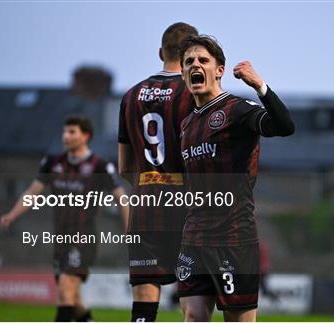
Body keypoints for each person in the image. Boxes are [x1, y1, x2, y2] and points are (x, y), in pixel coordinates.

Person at [176, 35, 294, 322]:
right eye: (189, 62)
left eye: (203, 60)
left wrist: (260, 86)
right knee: (193, 316)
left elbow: (284, 126)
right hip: (194, 237)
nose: (196, 65)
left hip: (233, 237)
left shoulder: (236, 109)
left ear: (219, 70)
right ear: (182, 73)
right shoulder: (187, 124)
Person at [0, 115, 128, 322]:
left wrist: (129, 228)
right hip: (60, 239)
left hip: (83, 239)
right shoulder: (53, 162)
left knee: (65, 289)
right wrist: (11, 215)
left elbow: (121, 197)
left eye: (71, 132)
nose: (65, 136)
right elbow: (33, 192)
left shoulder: (99, 165)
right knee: (73, 299)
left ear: (85, 136)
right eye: (64, 131)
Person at [118, 22, 198, 322]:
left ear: (160, 52)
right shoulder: (193, 93)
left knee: (144, 300)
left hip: (145, 206)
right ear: (190, 53)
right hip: (187, 207)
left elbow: (125, 166)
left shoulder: (130, 96)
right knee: (192, 299)